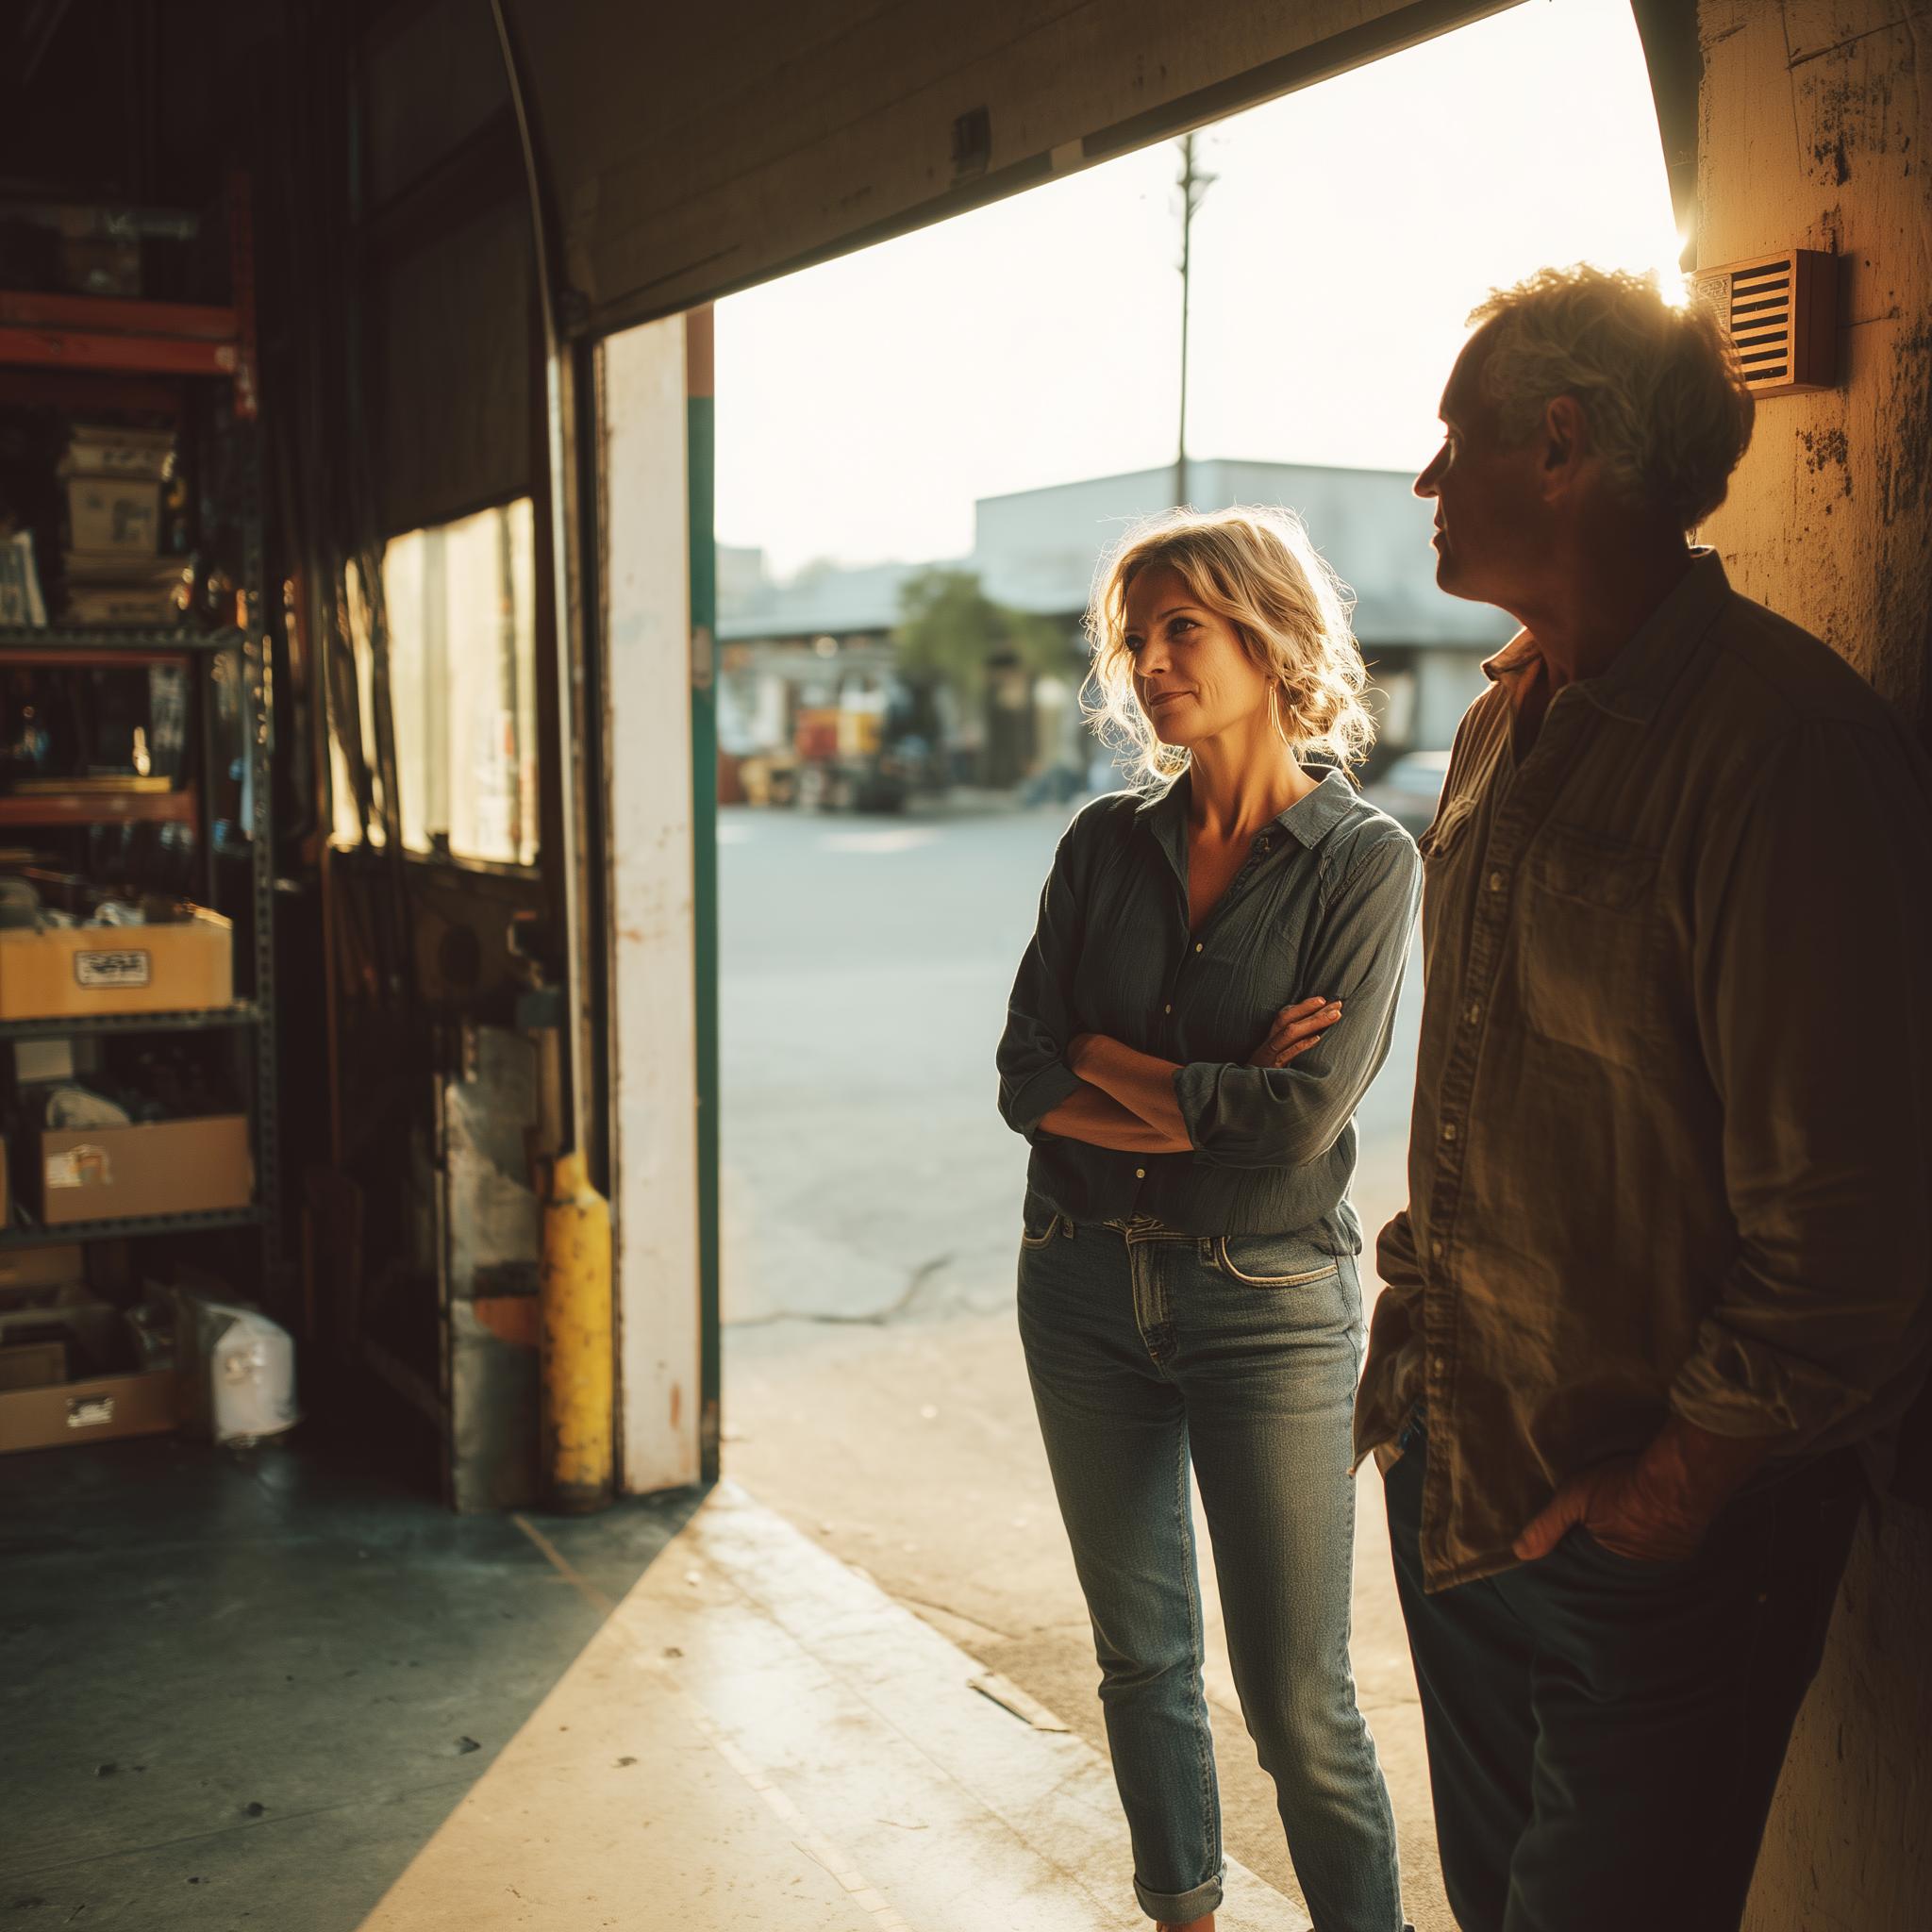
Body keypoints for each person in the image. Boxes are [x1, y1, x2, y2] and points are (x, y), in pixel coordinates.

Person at [1356, 264, 1932, 1932]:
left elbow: (1849, 1224)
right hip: (1468, 1482)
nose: (1424, 480)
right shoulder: (1495, 727)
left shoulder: (1780, 749)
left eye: (1451, 437)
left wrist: (1663, 1503)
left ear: (1559, 442)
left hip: (1655, 1547)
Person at [997, 506, 1422, 1932]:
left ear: (1267, 634)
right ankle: (1181, 1913)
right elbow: (1022, 1076)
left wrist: (1113, 1064)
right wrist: (1198, 1087)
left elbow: (1299, 1125)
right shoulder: (1103, 845)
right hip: (1076, 1282)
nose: (1151, 662)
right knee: (1141, 1659)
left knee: (1298, 1703)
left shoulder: (1363, 864)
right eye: (1138, 638)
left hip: (1269, 1300)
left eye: (1183, 628)